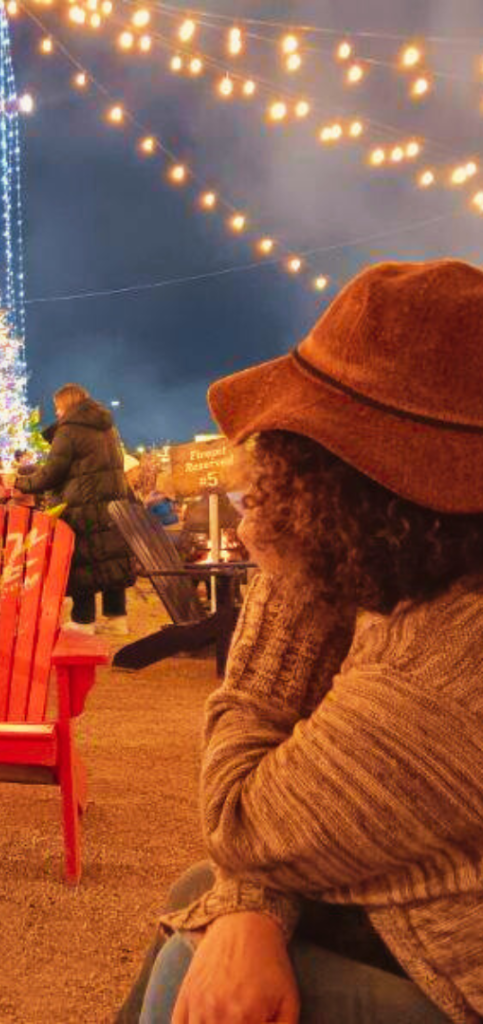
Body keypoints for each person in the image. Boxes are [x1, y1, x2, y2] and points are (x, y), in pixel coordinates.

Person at [120, 260, 483, 1024]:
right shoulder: (435, 587)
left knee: (192, 954)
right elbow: (277, 847)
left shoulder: (447, 669)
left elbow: (243, 819)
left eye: (290, 453)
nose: (261, 482)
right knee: (206, 900)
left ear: (352, 479)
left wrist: (294, 572)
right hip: (434, 906)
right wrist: (251, 905)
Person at [13, 383, 135, 635]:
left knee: (83, 562)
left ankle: (83, 621)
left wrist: (20, 483)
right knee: (111, 556)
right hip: (111, 503)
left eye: (57, 407)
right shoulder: (108, 428)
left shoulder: (69, 431)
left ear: (65, 405)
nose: (56, 413)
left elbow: (51, 474)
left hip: (82, 506)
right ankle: (117, 619)